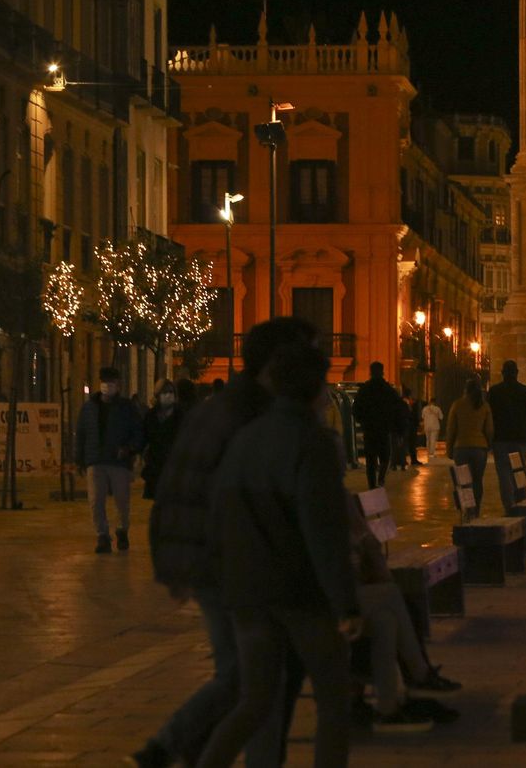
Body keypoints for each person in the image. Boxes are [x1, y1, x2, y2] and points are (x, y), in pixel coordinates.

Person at [132, 318, 319, 768]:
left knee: (246, 676)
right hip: (225, 561)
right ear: (281, 363)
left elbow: (175, 487)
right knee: (254, 677)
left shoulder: (223, 406)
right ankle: (166, 747)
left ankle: (185, 749)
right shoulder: (254, 417)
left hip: (205, 555)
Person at [197, 338, 360, 768]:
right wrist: (346, 604)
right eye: (324, 385)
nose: (328, 395)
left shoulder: (245, 438)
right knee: (333, 699)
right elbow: (323, 531)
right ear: (312, 389)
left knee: (254, 704)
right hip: (299, 593)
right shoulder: (315, 443)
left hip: (247, 595)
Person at [345, 494, 460, 732]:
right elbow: (363, 549)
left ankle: (388, 709)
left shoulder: (338, 495)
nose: (343, 462)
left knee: (385, 620)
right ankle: (419, 675)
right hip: (330, 599)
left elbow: (366, 550)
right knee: (393, 595)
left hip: (351, 590)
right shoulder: (324, 497)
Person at [76, 366, 144, 554]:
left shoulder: (126, 408)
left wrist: (129, 449)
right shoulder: (89, 407)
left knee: (122, 501)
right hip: (95, 460)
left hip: (118, 461)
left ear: (119, 385)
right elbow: (81, 433)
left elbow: (138, 432)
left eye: (112, 382)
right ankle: (102, 536)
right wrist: (79, 459)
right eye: (105, 382)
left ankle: (122, 530)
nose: (108, 386)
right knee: (96, 501)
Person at [487, 360, 526, 511]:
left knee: (504, 473)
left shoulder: (495, 392)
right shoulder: (525, 391)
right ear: (517, 373)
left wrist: (489, 438)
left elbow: (489, 416)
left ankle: (509, 505)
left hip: (500, 438)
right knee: (519, 470)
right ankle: (521, 501)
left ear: (503, 373)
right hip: (520, 438)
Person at [444, 379, 496, 509]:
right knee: (477, 481)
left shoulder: (457, 405)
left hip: (461, 447)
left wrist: (449, 448)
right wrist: (489, 445)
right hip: (479, 448)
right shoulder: (484, 406)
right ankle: (476, 509)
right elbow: (489, 429)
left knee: (463, 481)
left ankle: (466, 509)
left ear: (465, 390)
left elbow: (451, 429)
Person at [352, 362, 400, 489]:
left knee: (371, 461)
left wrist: (363, 422)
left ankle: (372, 485)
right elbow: (397, 409)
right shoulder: (388, 390)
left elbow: (356, 409)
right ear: (382, 372)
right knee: (385, 457)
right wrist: (395, 427)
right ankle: (381, 478)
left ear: (371, 372)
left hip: (369, 430)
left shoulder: (364, 390)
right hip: (384, 430)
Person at [140, 380, 186, 501]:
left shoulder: (181, 416)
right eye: (164, 392)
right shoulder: (151, 416)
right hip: (156, 465)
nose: (168, 395)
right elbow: (144, 437)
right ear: (158, 395)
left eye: (171, 392)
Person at [421, 397, 444, 462]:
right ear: (435, 402)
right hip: (435, 426)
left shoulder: (425, 408)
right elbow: (441, 417)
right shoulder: (437, 409)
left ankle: (428, 452)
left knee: (428, 439)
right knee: (433, 440)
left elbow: (422, 416)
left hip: (427, 425)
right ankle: (432, 453)